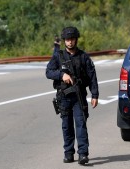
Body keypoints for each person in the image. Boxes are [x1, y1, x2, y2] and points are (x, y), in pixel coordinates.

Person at [45, 26, 99, 165]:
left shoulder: (83, 56)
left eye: (72, 39)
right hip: (64, 97)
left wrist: (95, 95)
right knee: (66, 126)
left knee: (81, 124)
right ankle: (68, 153)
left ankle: (83, 154)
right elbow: (48, 72)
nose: (70, 42)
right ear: (64, 41)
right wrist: (61, 75)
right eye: (67, 40)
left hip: (79, 96)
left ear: (76, 40)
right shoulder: (58, 56)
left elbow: (92, 76)